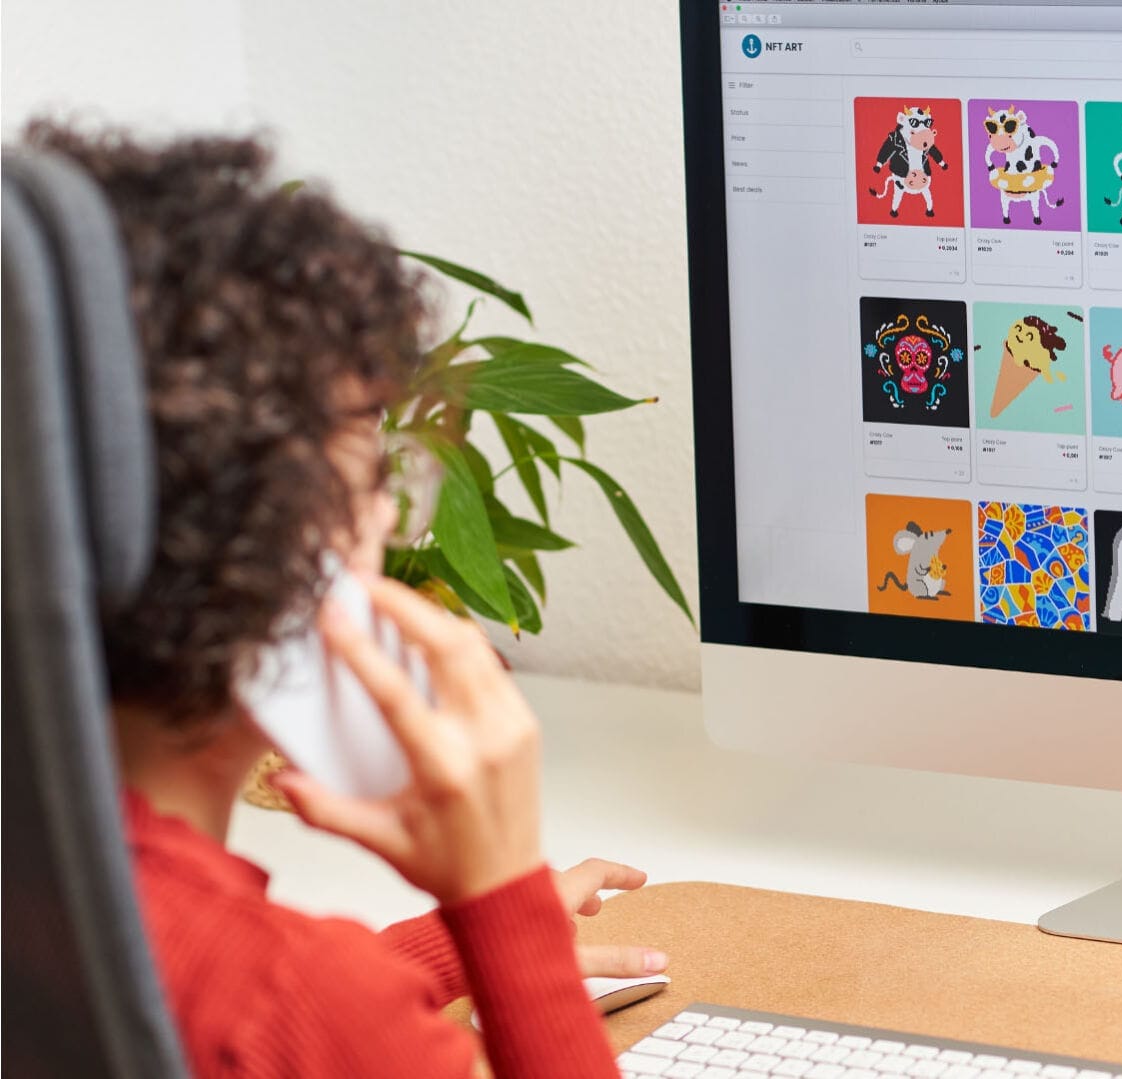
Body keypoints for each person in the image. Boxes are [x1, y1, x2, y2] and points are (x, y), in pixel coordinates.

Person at [26, 122, 659, 1077]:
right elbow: (285, 1016)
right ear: (274, 546)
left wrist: (449, 950)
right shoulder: (293, 1009)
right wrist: (500, 903)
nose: (390, 521)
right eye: (373, 470)